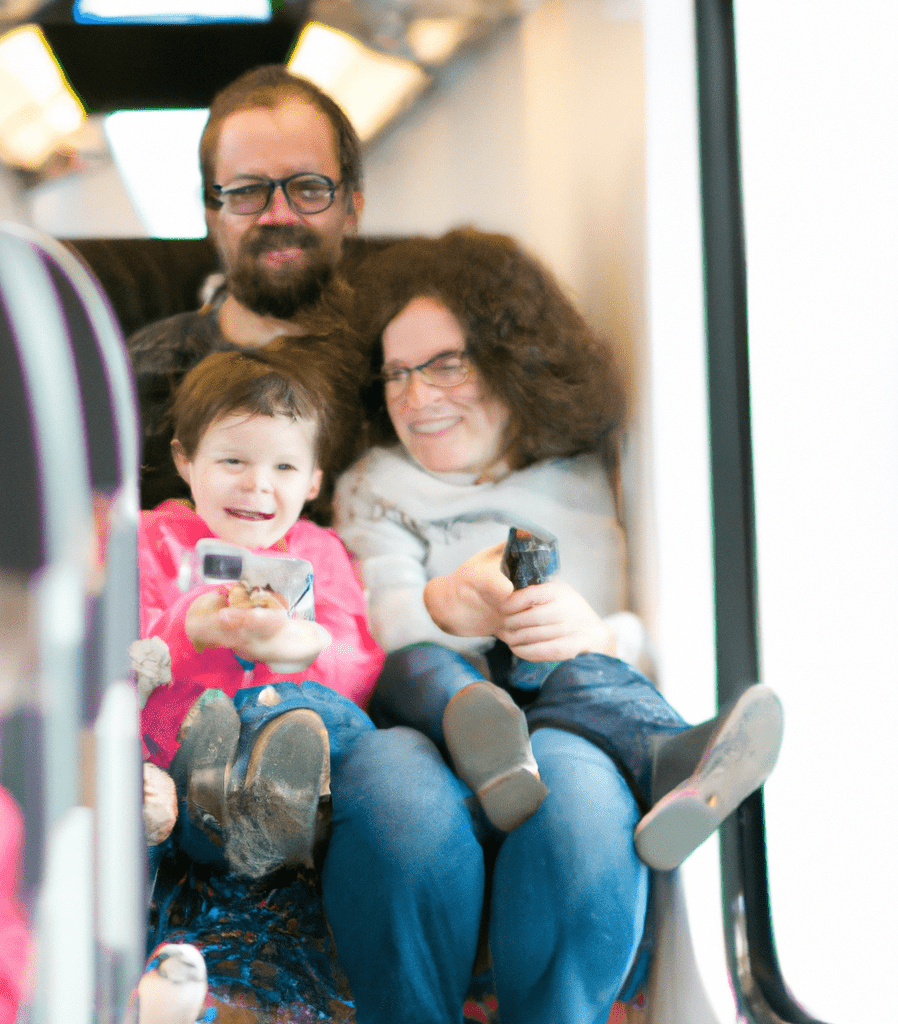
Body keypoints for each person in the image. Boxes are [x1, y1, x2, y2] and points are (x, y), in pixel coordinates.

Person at [325, 227, 784, 1024]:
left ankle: (660, 755)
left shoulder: (582, 475)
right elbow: (377, 620)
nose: (416, 396)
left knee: (582, 803)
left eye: (444, 364)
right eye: (397, 373)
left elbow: (615, 631)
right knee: (399, 792)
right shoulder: (377, 484)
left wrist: (592, 636)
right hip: (425, 705)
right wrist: (450, 604)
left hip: (560, 711)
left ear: (513, 360)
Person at [139, 346, 382, 879]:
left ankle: (272, 803)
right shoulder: (151, 542)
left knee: (314, 711)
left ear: (313, 482)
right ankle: (216, 805)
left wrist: (303, 648)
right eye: (233, 461)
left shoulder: (318, 551)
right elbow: (122, 655)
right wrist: (192, 629)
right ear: (185, 460)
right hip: (175, 746)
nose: (257, 485)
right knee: (190, 732)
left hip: (297, 734)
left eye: (285, 467)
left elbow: (359, 661)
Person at [126, 64, 366, 518]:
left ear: (352, 208)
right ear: (213, 216)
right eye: (247, 191)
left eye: (309, 189)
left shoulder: (391, 370)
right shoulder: (146, 372)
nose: (279, 215)